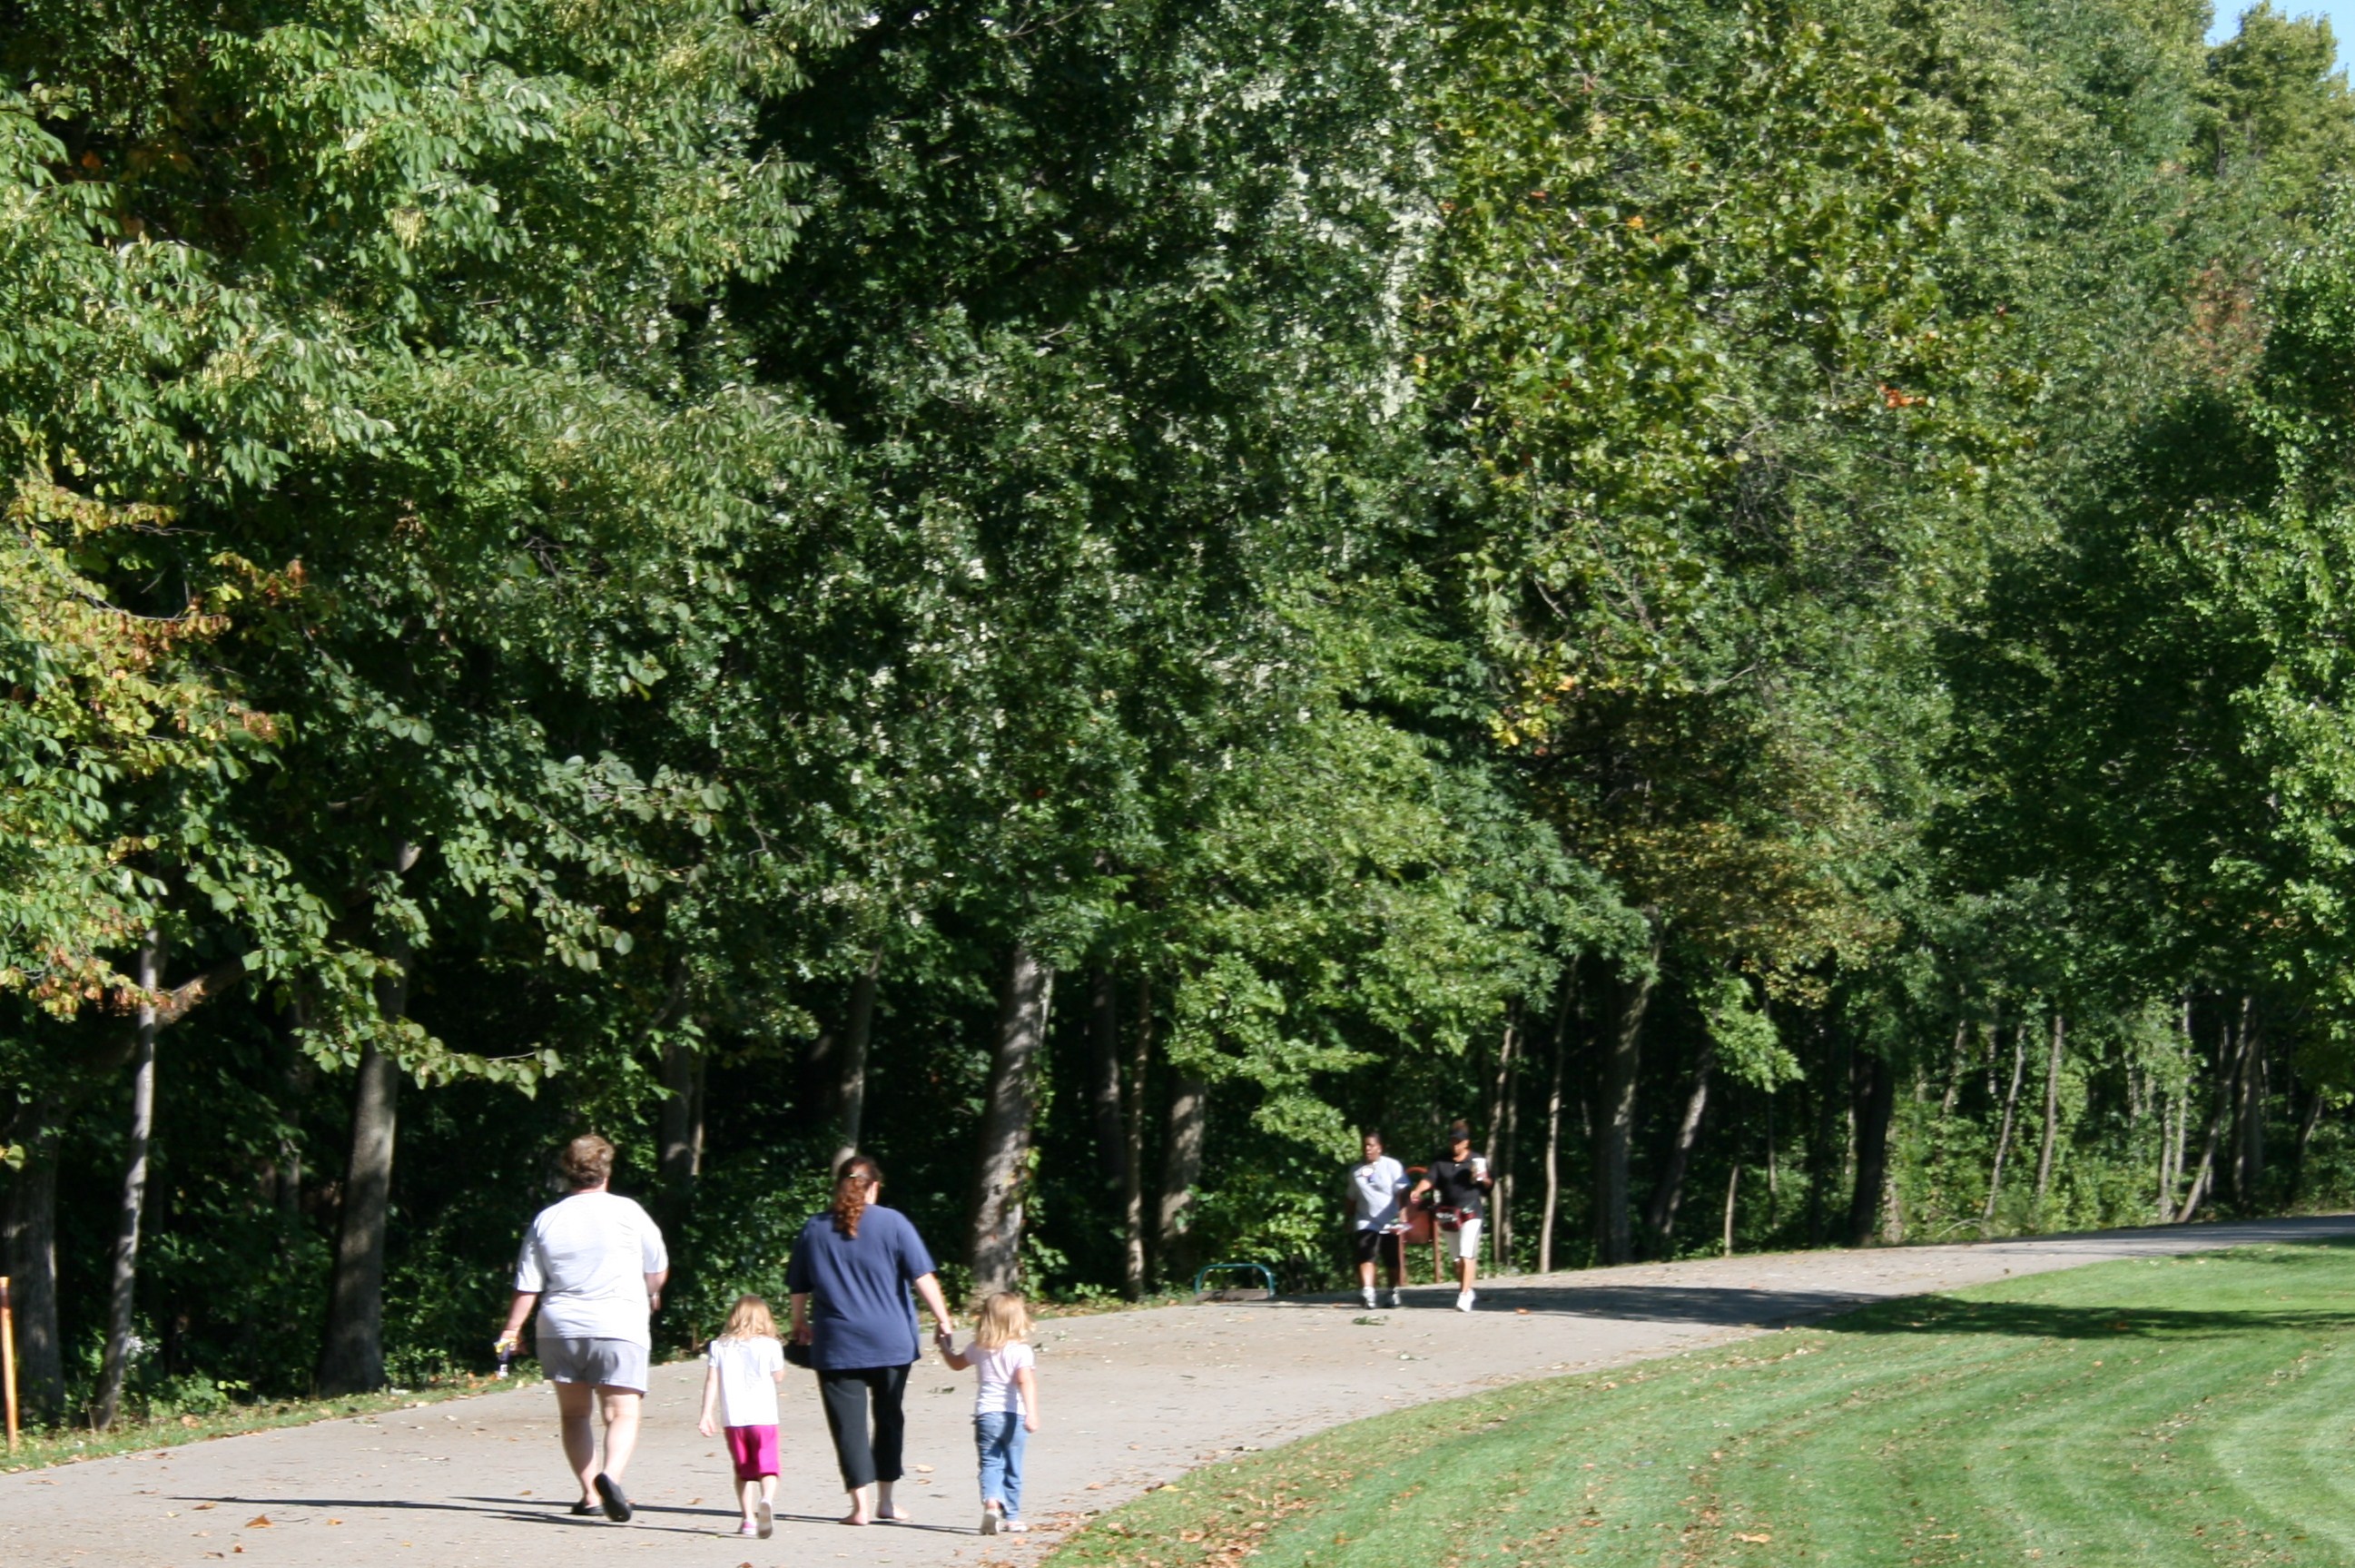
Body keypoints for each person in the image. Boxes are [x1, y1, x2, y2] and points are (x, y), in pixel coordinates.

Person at [495, 1133, 669, 1523]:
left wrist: (511, 1330)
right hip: (619, 1323)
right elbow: (656, 1271)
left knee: (574, 1415)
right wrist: (649, 1293)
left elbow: (528, 1283)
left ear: (567, 1171)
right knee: (621, 1413)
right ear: (606, 1170)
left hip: (560, 1327)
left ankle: (590, 1493)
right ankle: (611, 1477)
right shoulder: (630, 1212)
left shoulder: (548, 1218)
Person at [787, 1154, 959, 1526]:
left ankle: (859, 1507)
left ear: (839, 1186)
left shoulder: (814, 1229)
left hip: (837, 1344)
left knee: (847, 1425)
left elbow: (798, 1286)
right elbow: (922, 1276)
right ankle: (886, 1502)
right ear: (875, 1187)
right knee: (889, 1418)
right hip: (891, 1341)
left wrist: (799, 1324)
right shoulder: (894, 1223)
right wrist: (944, 1320)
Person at [935, 1291, 1041, 1537]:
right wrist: (1032, 1414)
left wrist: (944, 1347)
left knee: (990, 1463)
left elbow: (956, 1364)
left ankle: (991, 1504)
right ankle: (1012, 1518)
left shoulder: (978, 1348)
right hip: (1014, 1415)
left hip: (986, 1415)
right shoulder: (1021, 1352)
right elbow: (1026, 1382)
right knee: (1013, 1465)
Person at [696, 1294, 787, 1538]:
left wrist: (706, 1414)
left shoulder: (719, 1346)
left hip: (734, 1419)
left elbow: (712, 1380)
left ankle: (747, 1520)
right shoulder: (771, 1345)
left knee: (743, 1470)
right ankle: (766, 1499)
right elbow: (778, 1376)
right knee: (768, 1467)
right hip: (764, 1416)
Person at [1409, 1121, 1493, 1312]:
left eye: (1458, 1141)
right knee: (1457, 1261)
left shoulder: (1476, 1159)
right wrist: (1418, 1190)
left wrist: (1483, 1179)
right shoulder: (1441, 1161)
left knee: (1466, 1254)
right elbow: (1429, 1179)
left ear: (1466, 1143)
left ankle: (1463, 1296)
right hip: (1449, 1214)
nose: (1455, 1145)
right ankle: (1467, 1288)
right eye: (1452, 1141)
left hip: (1471, 1213)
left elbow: (1489, 1183)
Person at [1347, 1131, 1409, 1309]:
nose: (1367, 1149)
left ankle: (1392, 1291)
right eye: (1365, 1145)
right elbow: (1351, 1197)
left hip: (1389, 1219)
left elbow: (1402, 1190)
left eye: (1371, 1145)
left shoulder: (1392, 1166)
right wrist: (1348, 1217)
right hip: (1365, 1219)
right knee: (1366, 1254)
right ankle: (1368, 1292)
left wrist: (1403, 1211)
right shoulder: (1355, 1171)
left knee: (1391, 1259)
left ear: (1379, 1148)